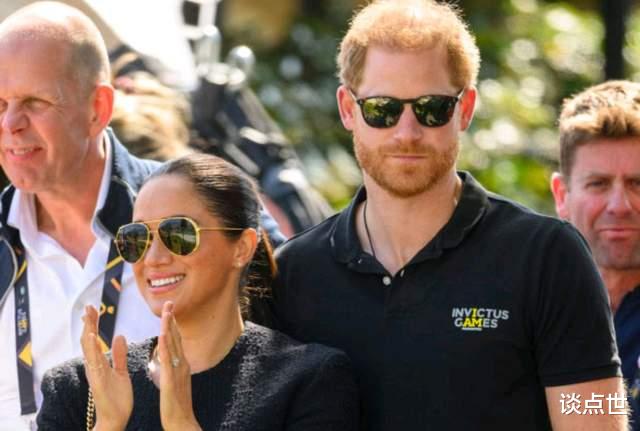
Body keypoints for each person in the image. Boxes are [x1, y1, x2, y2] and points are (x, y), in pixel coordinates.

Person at [251, 1, 627, 430]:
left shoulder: (547, 256)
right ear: (348, 109)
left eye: (433, 108)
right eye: (382, 109)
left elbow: (595, 413)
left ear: (465, 108)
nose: (407, 132)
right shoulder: (293, 274)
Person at [0, 2, 283, 429]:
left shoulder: (200, 210)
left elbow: (286, 357)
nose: (10, 123)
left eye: (35, 102)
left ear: (98, 107)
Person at [35, 153, 359, 430]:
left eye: (178, 234)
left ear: (242, 248)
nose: (153, 258)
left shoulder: (308, 382)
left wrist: (182, 423)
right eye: (138, 237)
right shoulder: (78, 389)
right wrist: (108, 425)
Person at [550, 79, 640, 429]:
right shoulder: (523, 310)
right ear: (562, 195)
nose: (619, 206)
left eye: (637, 184)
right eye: (598, 184)